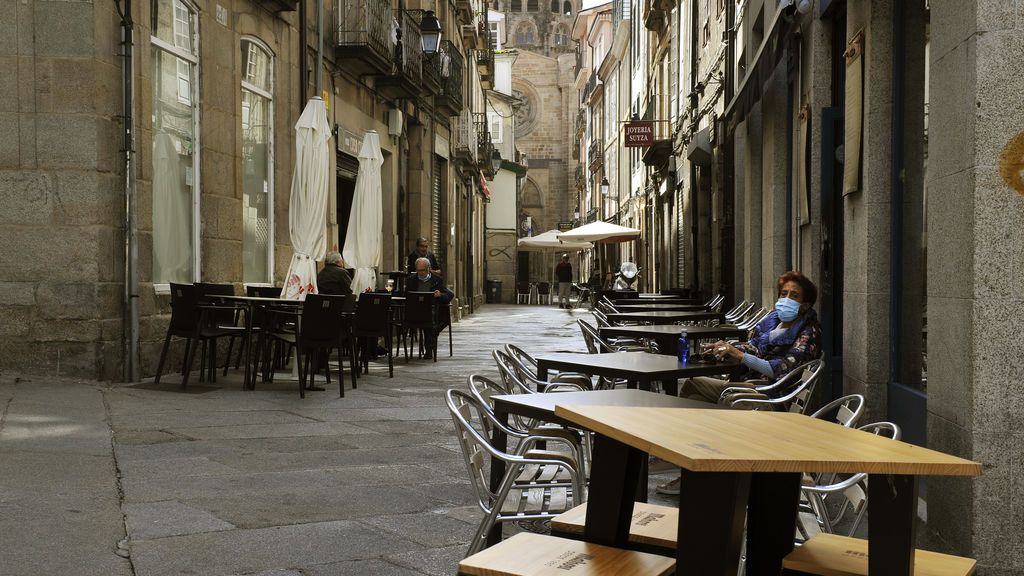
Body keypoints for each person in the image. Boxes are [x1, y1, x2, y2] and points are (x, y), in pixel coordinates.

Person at [655, 271, 823, 495]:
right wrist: (725, 346)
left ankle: (710, 475)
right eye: (784, 293)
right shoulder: (774, 323)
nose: (786, 300)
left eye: (794, 296)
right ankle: (688, 460)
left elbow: (780, 371)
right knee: (692, 386)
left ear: (804, 305)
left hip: (770, 395)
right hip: (749, 384)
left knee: (727, 403)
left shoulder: (808, 332)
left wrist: (740, 355)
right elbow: (753, 346)